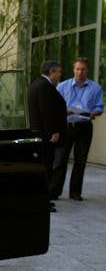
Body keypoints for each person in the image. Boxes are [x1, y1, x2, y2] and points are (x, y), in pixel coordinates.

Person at [51, 57, 104, 201]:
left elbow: (99, 107)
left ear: (88, 70)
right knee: (60, 160)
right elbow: (55, 106)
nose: (80, 72)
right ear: (74, 70)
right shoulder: (62, 86)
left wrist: (94, 113)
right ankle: (54, 191)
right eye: (77, 69)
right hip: (66, 126)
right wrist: (64, 111)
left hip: (85, 126)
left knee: (80, 161)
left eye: (83, 69)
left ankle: (75, 192)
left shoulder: (95, 88)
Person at [27, 60, 67, 212]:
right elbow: (46, 111)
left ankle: (43, 198)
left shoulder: (36, 84)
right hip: (45, 136)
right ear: (52, 72)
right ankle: (43, 199)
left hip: (40, 134)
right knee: (46, 168)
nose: (59, 75)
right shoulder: (44, 87)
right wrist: (53, 131)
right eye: (58, 72)